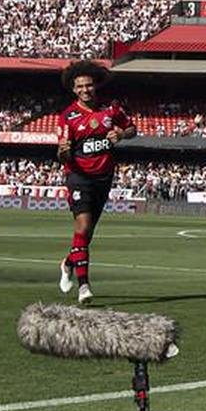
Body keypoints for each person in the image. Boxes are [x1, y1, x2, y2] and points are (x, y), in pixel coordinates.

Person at [55, 61, 136, 304]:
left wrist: (122, 134)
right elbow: (62, 155)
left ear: (95, 86)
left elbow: (132, 128)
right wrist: (64, 151)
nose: (85, 90)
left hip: (104, 177)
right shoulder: (67, 117)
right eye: (80, 86)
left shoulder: (111, 110)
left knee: (86, 234)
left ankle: (68, 263)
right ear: (74, 89)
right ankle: (84, 287)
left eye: (89, 85)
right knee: (82, 227)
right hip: (79, 177)